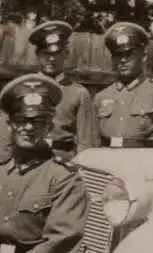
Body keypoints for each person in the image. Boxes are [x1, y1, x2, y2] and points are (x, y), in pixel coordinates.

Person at [0, 73, 89, 253]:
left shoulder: (64, 179)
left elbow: (62, 239)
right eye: (21, 121)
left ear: (49, 127)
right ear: (10, 125)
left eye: (37, 122)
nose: (29, 128)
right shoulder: (2, 171)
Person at [93, 21, 153, 148]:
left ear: (143, 56)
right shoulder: (101, 97)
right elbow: (94, 143)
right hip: (108, 164)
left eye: (129, 54)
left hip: (145, 164)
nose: (123, 60)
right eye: (118, 55)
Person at [28, 20, 94, 159]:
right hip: (30, 158)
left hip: (63, 161)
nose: (51, 58)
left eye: (57, 53)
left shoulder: (79, 93)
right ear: (38, 54)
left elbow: (85, 142)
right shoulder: (25, 89)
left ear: (66, 54)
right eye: (46, 53)